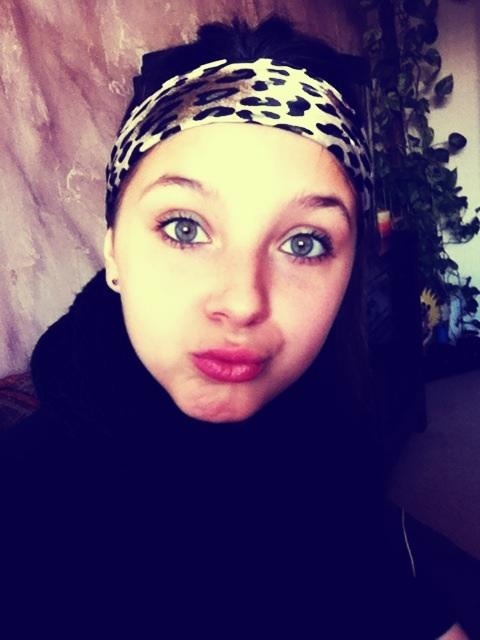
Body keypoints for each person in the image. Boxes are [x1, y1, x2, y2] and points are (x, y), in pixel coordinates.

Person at [1, 15, 477, 639]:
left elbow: (374, 580)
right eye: (184, 228)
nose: (243, 301)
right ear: (113, 249)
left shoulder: (328, 427)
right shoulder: (24, 503)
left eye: (304, 242)